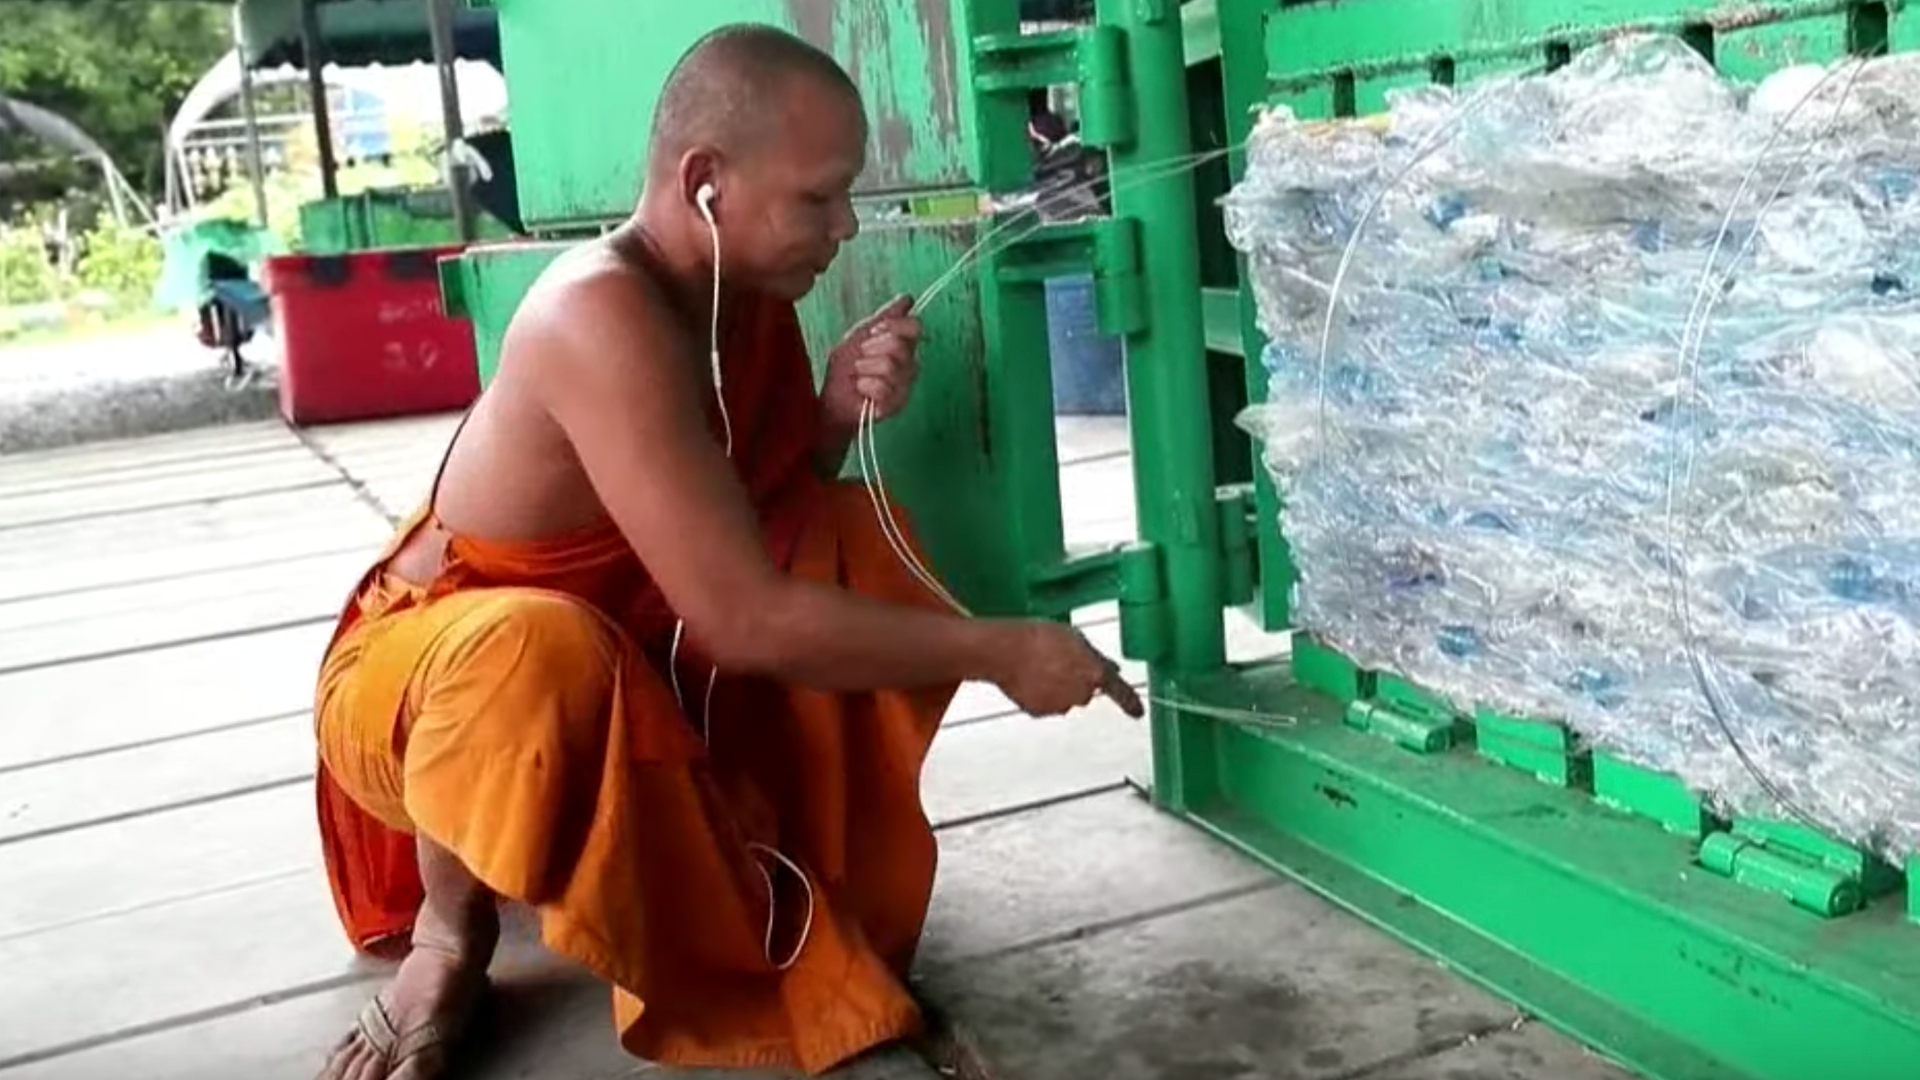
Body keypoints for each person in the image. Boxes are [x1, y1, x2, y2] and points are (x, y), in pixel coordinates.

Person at [311, 22, 1140, 1080]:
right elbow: (741, 618)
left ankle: (788, 876)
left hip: (632, 658)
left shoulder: (737, 304)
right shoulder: (594, 312)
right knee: (538, 645)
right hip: (432, 698)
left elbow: (751, 519)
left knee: (843, 539)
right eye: (818, 196)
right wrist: (1001, 651)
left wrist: (833, 412)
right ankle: (449, 934)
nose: (844, 226)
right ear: (705, 181)